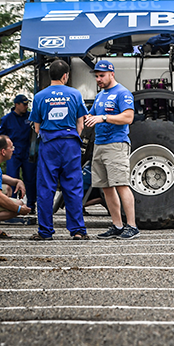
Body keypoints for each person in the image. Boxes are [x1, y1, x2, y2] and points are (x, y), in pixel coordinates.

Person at [29, 59, 89, 241]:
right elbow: (81, 124)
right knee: (73, 187)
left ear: (50, 75)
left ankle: (45, 231)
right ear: (65, 76)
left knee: (46, 188)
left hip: (49, 144)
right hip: (70, 144)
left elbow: (36, 127)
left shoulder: (40, 96)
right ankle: (78, 230)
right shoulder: (75, 94)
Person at [84, 60, 139, 240]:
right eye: (97, 76)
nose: (98, 79)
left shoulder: (122, 93)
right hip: (100, 145)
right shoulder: (100, 96)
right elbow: (92, 116)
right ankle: (117, 225)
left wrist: (104, 117)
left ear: (112, 74)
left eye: (102, 75)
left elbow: (128, 117)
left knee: (121, 185)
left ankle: (132, 226)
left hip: (116, 144)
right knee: (106, 187)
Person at [0, 94, 37, 224]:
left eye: (27, 104)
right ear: (16, 104)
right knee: (12, 179)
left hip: (28, 153)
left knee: (30, 180)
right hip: (13, 154)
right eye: (24, 104)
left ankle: (31, 205)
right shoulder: (7, 119)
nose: (26, 106)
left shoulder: (30, 117)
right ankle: (12, 207)